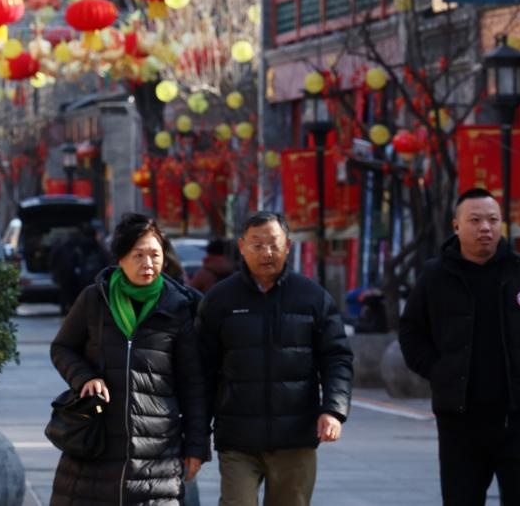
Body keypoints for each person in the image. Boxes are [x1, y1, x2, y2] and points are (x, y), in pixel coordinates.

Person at [398, 187, 520, 506]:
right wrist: (438, 371)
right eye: (476, 220)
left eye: (493, 220)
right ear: (456, 226)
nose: (486, 227)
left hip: (519, 415)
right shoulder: (436, 275)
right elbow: (411, 331)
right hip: (460, 420)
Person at [49, 213, 208, 505]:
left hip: (156, 452)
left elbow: (193, 383)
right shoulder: (95, 299)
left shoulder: (178, 307)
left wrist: (197, 445)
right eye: (138, 255)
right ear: (120, 258)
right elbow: (62, 348)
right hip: (96, 444)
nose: (148, 264)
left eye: (155, 255)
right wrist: (85, 377)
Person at [196, 211, 352, 506]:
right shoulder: (220, 300)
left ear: (288, 246)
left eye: (274, 244)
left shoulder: (312, 298)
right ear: (241, 247)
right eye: (257, 245)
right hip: (237, 439)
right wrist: (197, 431)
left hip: (295, 438)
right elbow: (202, 370)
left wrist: (333, 409)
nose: (267, 252)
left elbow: (337, 358)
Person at [51, 223, 110, 314]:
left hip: (80, 276)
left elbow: (67, 260)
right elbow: (105, 260)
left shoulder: (76, 245)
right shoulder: (97, 246)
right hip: (96, 274)